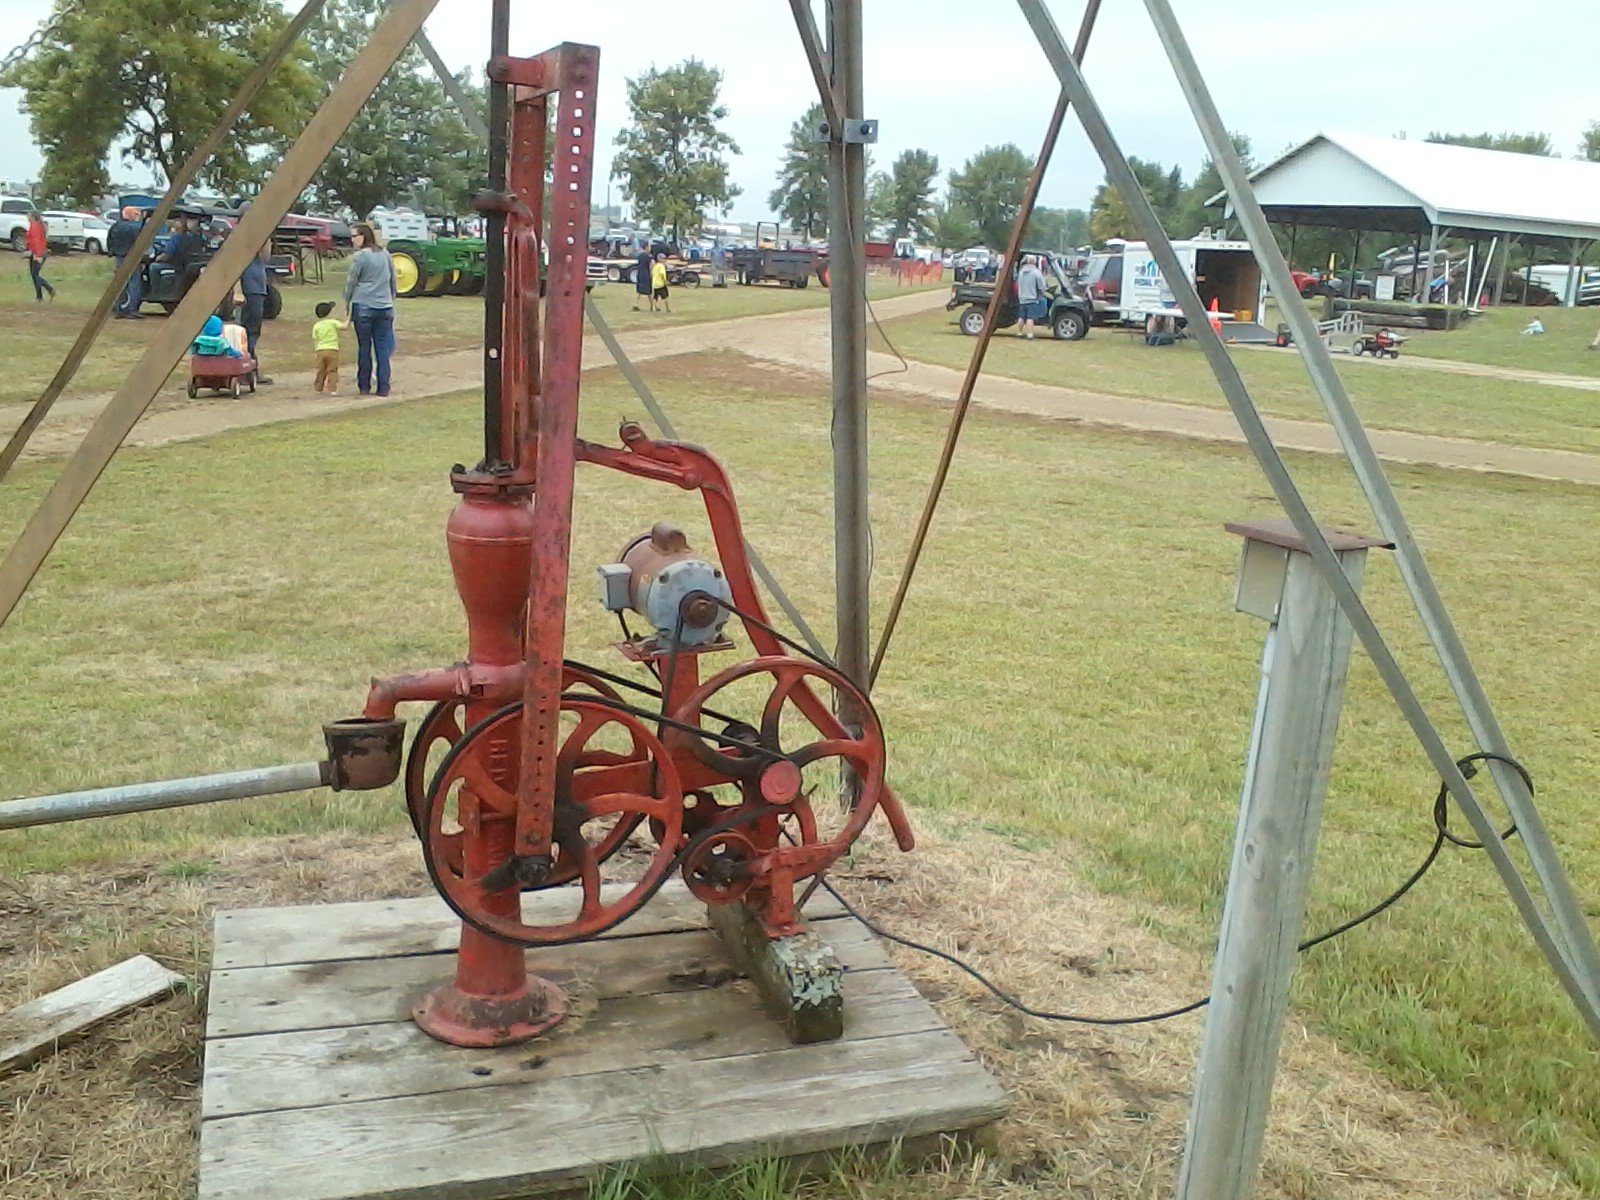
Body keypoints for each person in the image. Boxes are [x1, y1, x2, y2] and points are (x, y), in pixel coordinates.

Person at [343, 221, 398, 397]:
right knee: (382, 348)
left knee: (364, 347)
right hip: (385, 306)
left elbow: (351, 282)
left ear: (363, 236)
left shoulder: (361, 257)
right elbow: (393, 280)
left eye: (354, 236)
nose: (352, 240)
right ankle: (383, 387)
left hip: (364, 305)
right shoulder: (385, 254)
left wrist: (347, 302)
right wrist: (390, 297)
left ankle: (364, 385)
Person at [234, 243, 273, 384]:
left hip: (257, 291)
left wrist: (266, 238)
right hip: (248, 292)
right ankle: (244, 371)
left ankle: (251, 370)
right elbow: (235, 269)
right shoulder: (242, 244)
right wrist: (237, 292)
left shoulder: (257, 246)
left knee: (253, 332)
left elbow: (266, 256)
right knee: (245, 332)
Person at [106, 206, 147, 319]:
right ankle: (132, 310)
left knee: (120, 284)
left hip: (119, 257)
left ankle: (118, 309)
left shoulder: (115, 226)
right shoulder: (135, 227)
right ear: (130, 215)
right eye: (135, 214)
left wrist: (112, 253)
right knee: (134, 283)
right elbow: (140, 243)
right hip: (133, 258)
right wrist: (143, 258)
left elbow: (109, 240)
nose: (137, 217)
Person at [311, 300, 347, 395]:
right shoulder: (332, 322)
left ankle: (318, 388)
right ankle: (332, 389)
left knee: (321, 370)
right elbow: (344, 326)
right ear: (329, 312)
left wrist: (317, 351)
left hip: (320, 350)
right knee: (332, 370)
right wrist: (349, 317)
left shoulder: (316, 326)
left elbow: (315, 339)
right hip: (332, 349)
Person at [1014, 254, 1047, 339]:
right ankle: (1030, 334)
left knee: (1021, 317)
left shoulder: (1021, 272)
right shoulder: (1036, 272)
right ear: (1035, 261)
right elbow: (1041, 286)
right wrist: (1043, 292)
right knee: (1030, 317)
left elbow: (1018, 283)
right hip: (1032, 298)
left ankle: (1019, 332)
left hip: (1022, 298)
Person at [25, 212, 55, 302]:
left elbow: (37, 241)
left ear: (33, 217)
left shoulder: (35, 226)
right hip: (36, 252)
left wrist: (37, 255)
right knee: (34, 275)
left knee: (35, 274)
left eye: (28, 215)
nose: (27, 217)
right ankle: (40, 296)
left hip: (38, 253)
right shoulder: (36, 225)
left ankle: (49, 290)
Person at [632, 246, 652, 310]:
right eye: (649, 247)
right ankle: (652, 305)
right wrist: (651, 274)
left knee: (639, 290)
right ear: (646, 247)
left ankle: (635, 303)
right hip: (646, 274)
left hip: (640, 274)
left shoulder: (639, 256)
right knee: (649, 291)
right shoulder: (648, 257)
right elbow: (650, 266)